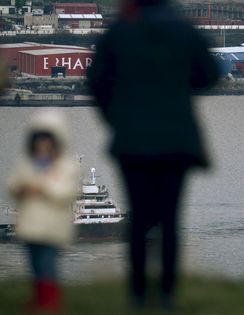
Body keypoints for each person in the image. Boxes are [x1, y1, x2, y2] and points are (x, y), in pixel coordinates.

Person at [87, 0, 219, 309]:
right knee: (171, 219)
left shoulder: (119, 32)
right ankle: (167, 294)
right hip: (177, 140)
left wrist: (115, 119)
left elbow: (95, 82)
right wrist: (177, 86)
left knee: (138, 219)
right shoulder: (184, 31)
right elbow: (210, 75)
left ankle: (137, 294)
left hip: (132, 140)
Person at [8, 110, 79, 312]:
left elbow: (67, 191)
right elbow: (12, 184)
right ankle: (38, 298)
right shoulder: (26, 164)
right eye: (39, 141)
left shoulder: (67, 167)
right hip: (30, 225)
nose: (43, 146)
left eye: (47, 141)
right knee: (35, 264)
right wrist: (19, 188)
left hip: (52, 227)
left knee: (47, 263)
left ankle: (51, 301)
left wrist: (43, 188)